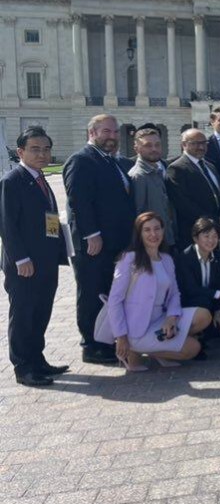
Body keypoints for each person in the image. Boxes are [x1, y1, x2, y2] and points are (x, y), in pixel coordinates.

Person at [63, 114, 135, 364]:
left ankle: (106, 338)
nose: (112, 137)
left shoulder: (114, 162)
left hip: (115, 242)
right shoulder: (82, 160)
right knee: (92, 291)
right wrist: (91, 234)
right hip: (94, 244)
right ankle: (91, 345)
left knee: (108, 291)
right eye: (106, 132)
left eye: (115, 132)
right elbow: (79, 202)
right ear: (92, 133)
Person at [0, 127, 69, 386]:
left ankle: (37, 360)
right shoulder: (12, 181)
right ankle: (24, 367)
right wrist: (20, 260)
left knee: (41, 312)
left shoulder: (41, 179)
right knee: (24, 314)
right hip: (25, 264)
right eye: (35, 149)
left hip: (45, 261)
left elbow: (49, 221)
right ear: (20, 152)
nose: (42, 154)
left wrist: (58, 252)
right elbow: (7, 225)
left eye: (46, 149)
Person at [105, 212, 211, 371]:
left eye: (157, 229)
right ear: (139, 234)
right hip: (136, 329)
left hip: (161, 320)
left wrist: (171, 317)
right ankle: (136, 349)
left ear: (163, 231)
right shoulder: (129, 259)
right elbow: (115, 300)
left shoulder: (166, 259)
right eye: (147, 230)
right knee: (193, 348)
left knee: (204, 315)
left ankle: (159, 350)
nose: (153, 234)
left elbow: (175, 293)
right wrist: (121, 336)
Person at [174, 217, 220, 340]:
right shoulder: (185, 258)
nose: (211, 240)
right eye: (206, 236)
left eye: (214, 236)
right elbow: (191, 290)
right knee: (203, 301)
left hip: (209, 301)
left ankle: (204, 331)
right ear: (196, 238)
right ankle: (186, 337)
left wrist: (218, 311)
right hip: (187, 303)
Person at [167, 129, 220, 242]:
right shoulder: (177, 169)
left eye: (204, 143)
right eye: (196, 143)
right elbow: (184, 205)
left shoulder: (211, 166)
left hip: (217, 231)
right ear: (184, 144)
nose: (201, 147)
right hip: (195, 232)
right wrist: (214, 220)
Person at [128, 127, 176, 251]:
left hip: (166, 239)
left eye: (157, 145)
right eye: (148, 145)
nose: (154, 149)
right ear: (137, 148)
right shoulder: (139, 176)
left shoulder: (158, 171)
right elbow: (138, 214)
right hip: (152, 245)